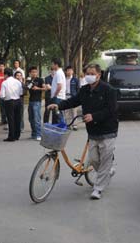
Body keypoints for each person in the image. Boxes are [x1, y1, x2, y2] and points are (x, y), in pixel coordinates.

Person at [48, 64, 118, 200]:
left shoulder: (109, 90)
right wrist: (59, 105)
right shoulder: (84, 90)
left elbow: (112, 110)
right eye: (87, 73)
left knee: (104, 159)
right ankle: (108, 171)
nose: (89, 76)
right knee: (93, 159)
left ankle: (98, 188)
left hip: (108, 130)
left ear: (98, 75)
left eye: (92, 73)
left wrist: (94, 116)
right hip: (92, 131)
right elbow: (73, 101)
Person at [0, 68, 22, 142]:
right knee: (17, 118)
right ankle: (17, 135)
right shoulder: (18, 82)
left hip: (9, 102)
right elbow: (21, 92)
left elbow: (2, 95)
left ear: (6, 74)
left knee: (11, 119)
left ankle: (11, 136)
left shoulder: (4, 83)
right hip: (18, 101)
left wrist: (5, 97)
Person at [27, 67, 45, 140]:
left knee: (37, 118)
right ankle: (33, 133)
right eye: (32, 72)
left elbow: (44, 88)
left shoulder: (40, 80)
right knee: (31, 118)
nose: (34, 73)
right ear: (30, 73)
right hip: (30, 101)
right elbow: (27, 88)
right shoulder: (29, 80)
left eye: (35, 72)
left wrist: (38, 88)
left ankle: (39, 134)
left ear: (37, 72)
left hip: (37, 101)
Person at [50, 58, 66, 123]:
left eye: (52, 64)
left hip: (58, 98)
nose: (51, 65)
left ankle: (60, 129)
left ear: (56, 65)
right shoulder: (58, 73)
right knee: (57, 115)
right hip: (58, 97)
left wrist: (55, 96)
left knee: (58, 115)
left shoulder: (59, 73)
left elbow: (59, 86)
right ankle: (58, 129)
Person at [65, 66, 80, 130]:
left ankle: (75, 125)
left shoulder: (75, 80)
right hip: (65, 96)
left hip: (73, 97)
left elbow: (78, 89)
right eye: (68, 70)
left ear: (72, 72)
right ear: (66, 72)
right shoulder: (64, 79)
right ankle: (68, 125)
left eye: (70, 70)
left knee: (74, 112)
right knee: (67, 112)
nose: (69, 72)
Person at [0, 61, 7, 127]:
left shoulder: (7, 74)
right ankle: (3, 120)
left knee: (7, 107)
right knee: (2, 107)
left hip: (6, 94)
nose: (1, 67)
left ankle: (7, 121)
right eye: (0, 66)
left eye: (3, 66)